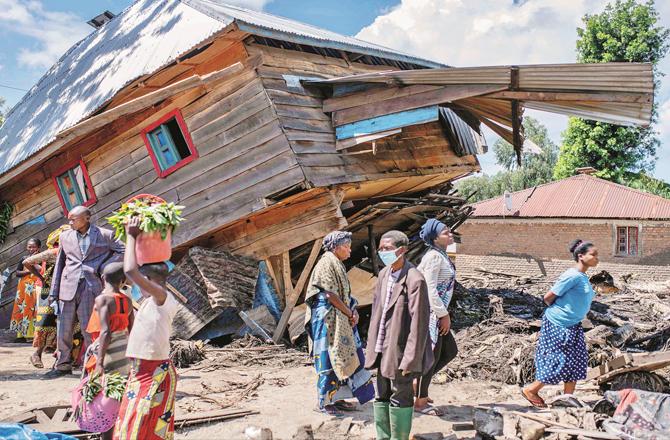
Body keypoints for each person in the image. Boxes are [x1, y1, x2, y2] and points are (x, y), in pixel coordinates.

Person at [115, 217, 178, 440]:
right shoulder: (150, 302)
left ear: (150, 280)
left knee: (142, 424)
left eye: (143, 280)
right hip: (142, 368)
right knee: (133, 422)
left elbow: (130, 270)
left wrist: (131, 235)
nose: (138, 285)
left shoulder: (162, 296)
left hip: (154, 372)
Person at [365, 230, 432, 440]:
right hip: (381, 347)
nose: (381, 252)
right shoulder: (384, 274)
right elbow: (377, 312)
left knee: (400, 396)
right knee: (382, 394)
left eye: (387, 248)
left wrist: (410, 359)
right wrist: (371, 347)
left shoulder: (414, 279)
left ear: (401, 250)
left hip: (401, 351)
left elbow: (419, 324)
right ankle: (383, 436)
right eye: (380, 248)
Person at [47, 206, 125, 378]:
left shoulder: (105, 235)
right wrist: (54, 293)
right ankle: (62, 365)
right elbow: (60, 265)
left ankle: (91, 366)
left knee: (89, 329)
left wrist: (105, 267)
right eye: (69, 218)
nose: (70, 222)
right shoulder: (65, 236)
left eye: (73, 219)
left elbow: (123, 250)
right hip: (67, 287)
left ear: (87, 218)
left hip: (91, 287)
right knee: (63, 329)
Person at [522, 239, 600, 408]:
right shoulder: (571, 276)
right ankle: (531, 390)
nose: (596, 258)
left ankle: (567, 399)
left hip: (573, 325)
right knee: (559, 360)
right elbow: (548, 297)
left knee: (576, 361)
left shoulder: (582, 276)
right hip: (559, 324)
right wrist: (562, 313)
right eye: (593, 255)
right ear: (581, 256)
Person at [304, 231, 375, 416]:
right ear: (336, 247)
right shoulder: (326, 263)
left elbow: (343, 295)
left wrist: (353, 311)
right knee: (329, 357)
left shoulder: (337, 264)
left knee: (343, 357)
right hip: (327, 322)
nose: (350, 251)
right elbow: (329, 294)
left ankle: (338, 398)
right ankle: (324, 402)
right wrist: (349, 311)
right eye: (347, 247)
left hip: (339, 318)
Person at [80, 262, 133, 440]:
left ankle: (107, 436)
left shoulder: (103, 299)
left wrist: (100, 362)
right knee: (121, 391)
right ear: (123, 280)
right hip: (125, 349)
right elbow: (131, 329)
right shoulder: (127, 300)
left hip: (109, 351)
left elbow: (105, 331)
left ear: (102, 278)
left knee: (107, 396)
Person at [415, 219, 459, 416]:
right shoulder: (434, 256)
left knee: (449, 351)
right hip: (431, 314)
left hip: (436, 312)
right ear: (434, 238)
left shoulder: (442, 255)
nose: (450, 235)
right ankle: (421, 402)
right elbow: (430, 288)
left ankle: (417, 385)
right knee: (432, 357)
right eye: (446, 233)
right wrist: (443, 315)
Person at [22, 225, 70, 368]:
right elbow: (26, 262)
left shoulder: (73, 251)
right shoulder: (54, 252)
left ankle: (61, 358)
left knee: (65, 325)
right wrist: (41, 278)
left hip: (66, 291)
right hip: (48, 292)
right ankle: (37, 354)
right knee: (46, 323)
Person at [10, 238, 42, 341]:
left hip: (35, 288)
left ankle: (32, 335)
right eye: (29, 246)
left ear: (39, 247)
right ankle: (21, 335)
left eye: (34, 247)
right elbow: (17, 273)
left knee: (33, 309)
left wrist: (32, 266)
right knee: (22, 309)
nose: (31, 249)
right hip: (23, 289)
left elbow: (42, 271)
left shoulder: (42, 258)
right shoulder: (24, 258)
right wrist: (29, 270)